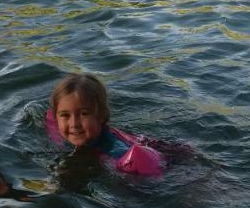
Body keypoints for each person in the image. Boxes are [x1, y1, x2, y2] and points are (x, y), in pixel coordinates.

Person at [48, 73, 188, 178]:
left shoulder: (116, 152)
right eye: (65, 115)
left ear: (101, 116)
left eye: (83, 114)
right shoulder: (71, 127)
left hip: (159, 165)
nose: (74, 124)